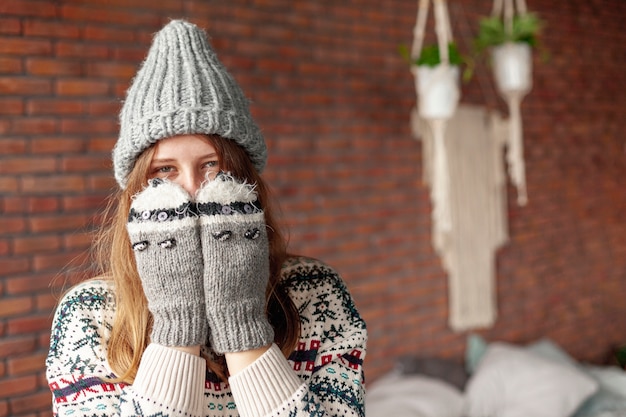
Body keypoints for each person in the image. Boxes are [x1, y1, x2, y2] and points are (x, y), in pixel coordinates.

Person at [45, 19, 367, 417]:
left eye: (211, 166)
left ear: (243, 175)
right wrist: (179, 325)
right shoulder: (89, 313)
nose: (192, 191)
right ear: (135, 191)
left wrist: (241, 323)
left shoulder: (315, 293)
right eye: (164, 171)